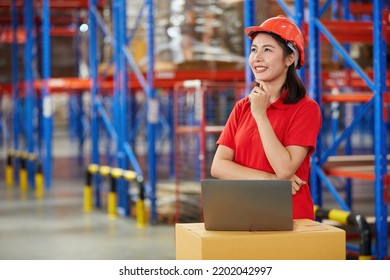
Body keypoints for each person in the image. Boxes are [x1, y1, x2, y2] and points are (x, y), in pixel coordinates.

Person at [210, 15, 322, 220]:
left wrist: (260, 115)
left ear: (290, 59)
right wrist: (269, 180)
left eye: (267, 50)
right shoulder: (242, 107)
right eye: (254, 49)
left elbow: (284, 169)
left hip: (288, 216)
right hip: (243, 213)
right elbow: (218, 166)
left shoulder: (306, 109)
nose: (257, 57)